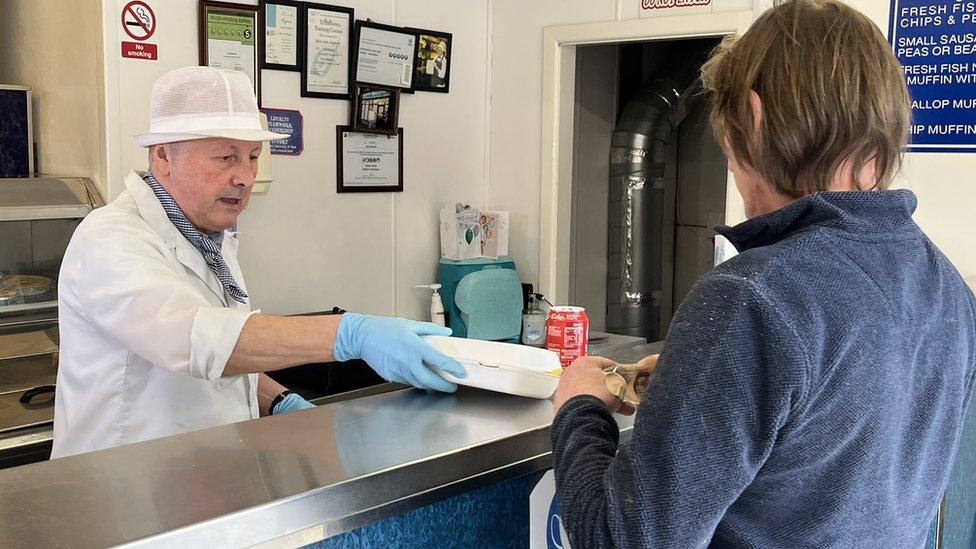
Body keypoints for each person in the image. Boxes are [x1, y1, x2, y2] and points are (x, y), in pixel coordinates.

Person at [549, 0, 976, 546]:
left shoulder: (752, 298)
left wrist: (580, 408)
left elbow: (624, 538)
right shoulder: (947, 287)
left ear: (751, 116)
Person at [52, 66, 465, 458]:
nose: (245, 177)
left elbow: (231, 350)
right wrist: (349, 333)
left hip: (202, 480)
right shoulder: (111, 239)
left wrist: (279, 400)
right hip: (124, 490)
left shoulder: (208, 237)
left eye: (252, 157)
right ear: (163, 157)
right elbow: (195, 340)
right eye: (226, 158)